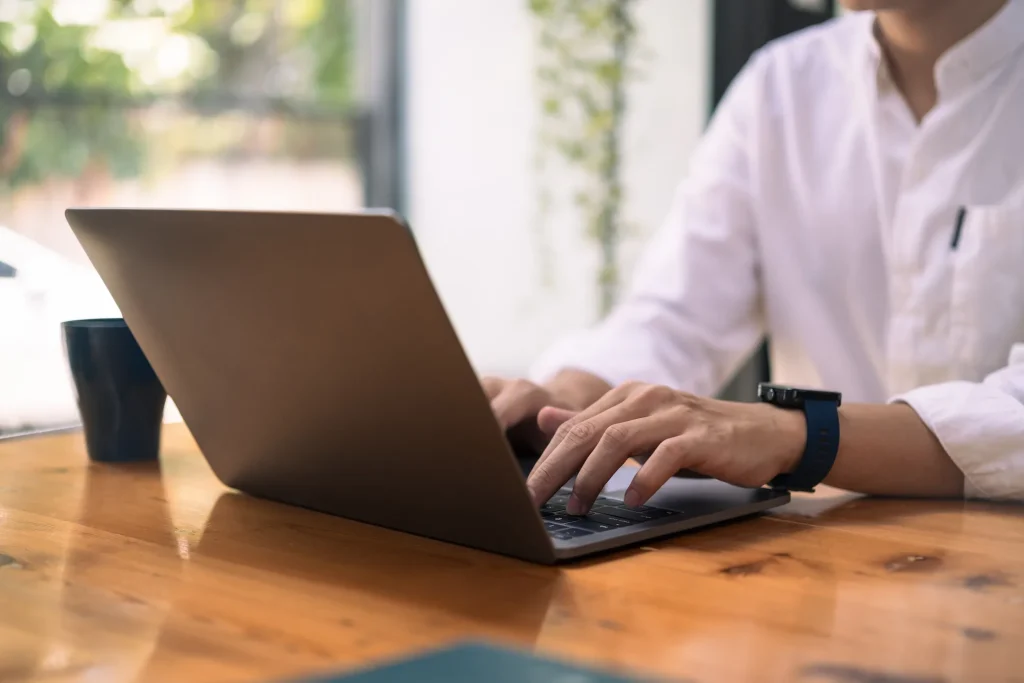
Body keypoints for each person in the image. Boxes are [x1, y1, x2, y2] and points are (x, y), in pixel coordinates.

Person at [483, 0, 1024, 515]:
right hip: (829, 563)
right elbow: (678, 315)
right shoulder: (782, 85)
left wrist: (791, 433)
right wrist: (565, 403)